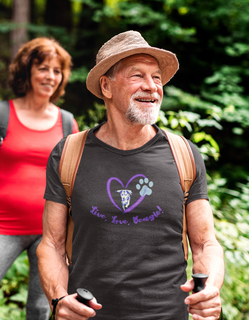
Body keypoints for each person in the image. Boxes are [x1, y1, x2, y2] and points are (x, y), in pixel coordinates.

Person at [36, 31, 224, 320]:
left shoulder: (183, 154)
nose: (152, 87)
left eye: (157, 78)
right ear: (106, 86)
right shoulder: (69, 154)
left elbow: (205, 243)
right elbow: (51, 244)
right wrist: (59, 299)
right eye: (137, 75)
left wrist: (209, 288)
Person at [0, 37, 79, 320]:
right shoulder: (0, 114)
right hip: (0, 228)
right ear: (27, 70)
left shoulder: (68, 123)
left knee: (39, 311)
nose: (50, 76)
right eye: (43, 68)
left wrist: (71, 240)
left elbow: (72, 185)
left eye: (57, 71)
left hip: (50, 233)